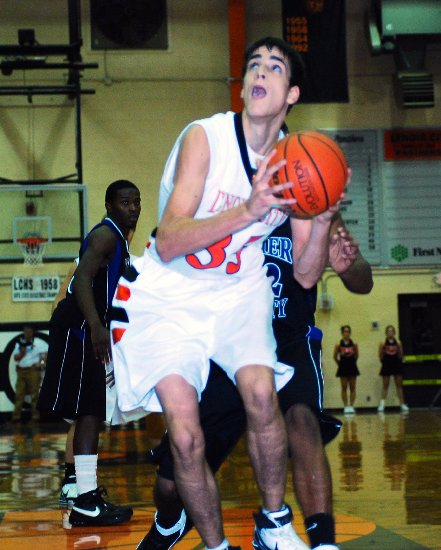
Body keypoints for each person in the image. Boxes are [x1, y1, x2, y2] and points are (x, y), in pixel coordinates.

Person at [111, 36, 346, 550]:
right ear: (242, 86)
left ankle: (274, 523)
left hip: (239, 288)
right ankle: (217, 547)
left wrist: (323, 219)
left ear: (292, 94)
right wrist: (248, 210)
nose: (261, 71)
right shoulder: (206, 137)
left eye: (275, 66)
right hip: (172, 293)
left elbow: (306, 275)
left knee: (262, 394)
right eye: (254, 64)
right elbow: (168, 240)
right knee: (186, 438)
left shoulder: (298, 163)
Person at [135, 214, 373, 550]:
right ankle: (170, 522)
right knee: (170, 483)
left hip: (290, 340)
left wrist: (348, 266)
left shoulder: (311, 208)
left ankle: (322, 542)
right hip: (227, 340)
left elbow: (363, 280)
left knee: (303, 420)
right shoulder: (224, 201)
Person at [37, 179, 141, 527]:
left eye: (136, 202)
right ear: (109, 205)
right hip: (79, 327)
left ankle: (86, 497)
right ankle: (85, 499)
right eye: (125, 202)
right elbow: (81, 280)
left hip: (86, 327)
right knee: (89, 411)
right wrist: (96, 326)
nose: (133, 208)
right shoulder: (105, 235)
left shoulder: (119, 241)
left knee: (91, 411)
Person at [11, 325, 47, 422]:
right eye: (26, 331)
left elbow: (45, 355)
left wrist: (41, 364)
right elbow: (16, 358)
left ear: (32, 332)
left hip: (33, 370)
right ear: (23, 332)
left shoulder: (38, 343)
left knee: (34, 394)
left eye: (29, 331)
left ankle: (35, 416)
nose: (27, 334)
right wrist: (22, 353)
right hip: (21, 370)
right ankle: (16, 417)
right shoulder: (20, 343)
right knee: (19, 394)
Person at [377, 325, 409, 413]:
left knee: (399, 385)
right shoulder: (383, 343)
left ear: (394, 332)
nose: (390, 333)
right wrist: (384, 361)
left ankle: (402, 404)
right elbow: (380, 355)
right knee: (385, 385)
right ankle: (382, 404)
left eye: (392, 331)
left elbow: (401, 354)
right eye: (388, 331)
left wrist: (399, 361)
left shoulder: (398, 342)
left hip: (396, 365)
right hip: (387, 364)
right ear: (386, 333)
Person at [333, 325, 360, 415]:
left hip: (352, 366)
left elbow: (357, 355)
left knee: (353, 387)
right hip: (343, 367)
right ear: (342, 333)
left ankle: (351, 406)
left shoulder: (354, 343)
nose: (346, 333)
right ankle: (345, 406)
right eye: (345, 331)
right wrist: (340, 364)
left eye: (348, 331)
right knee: (344, 387)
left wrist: (352, 362)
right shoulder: (338, 344)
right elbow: (335, 357)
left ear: (350, 333)